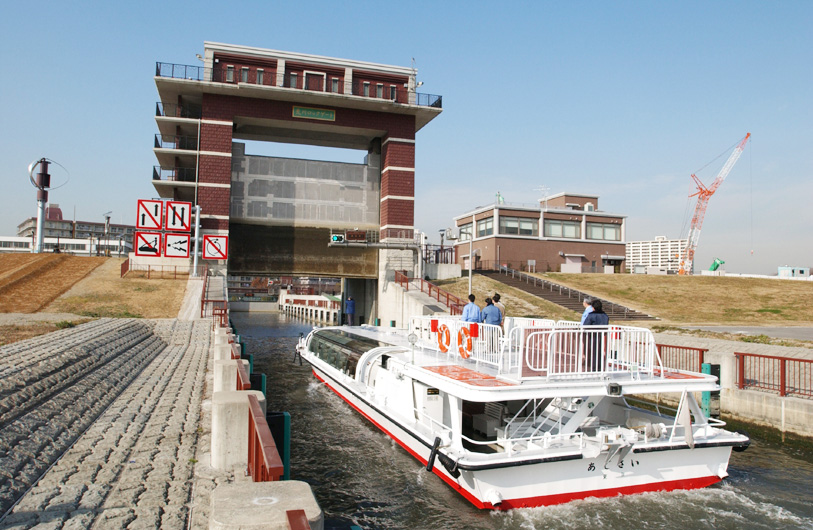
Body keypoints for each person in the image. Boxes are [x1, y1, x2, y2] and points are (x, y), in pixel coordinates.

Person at [583, 299, 609, 371]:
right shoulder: (605, 315)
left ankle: (594, 367)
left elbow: (585, 325)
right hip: (601, 335)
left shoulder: (591, 315)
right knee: (599, 351)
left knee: (593, 351)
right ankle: (600, 367)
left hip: (593, 335)